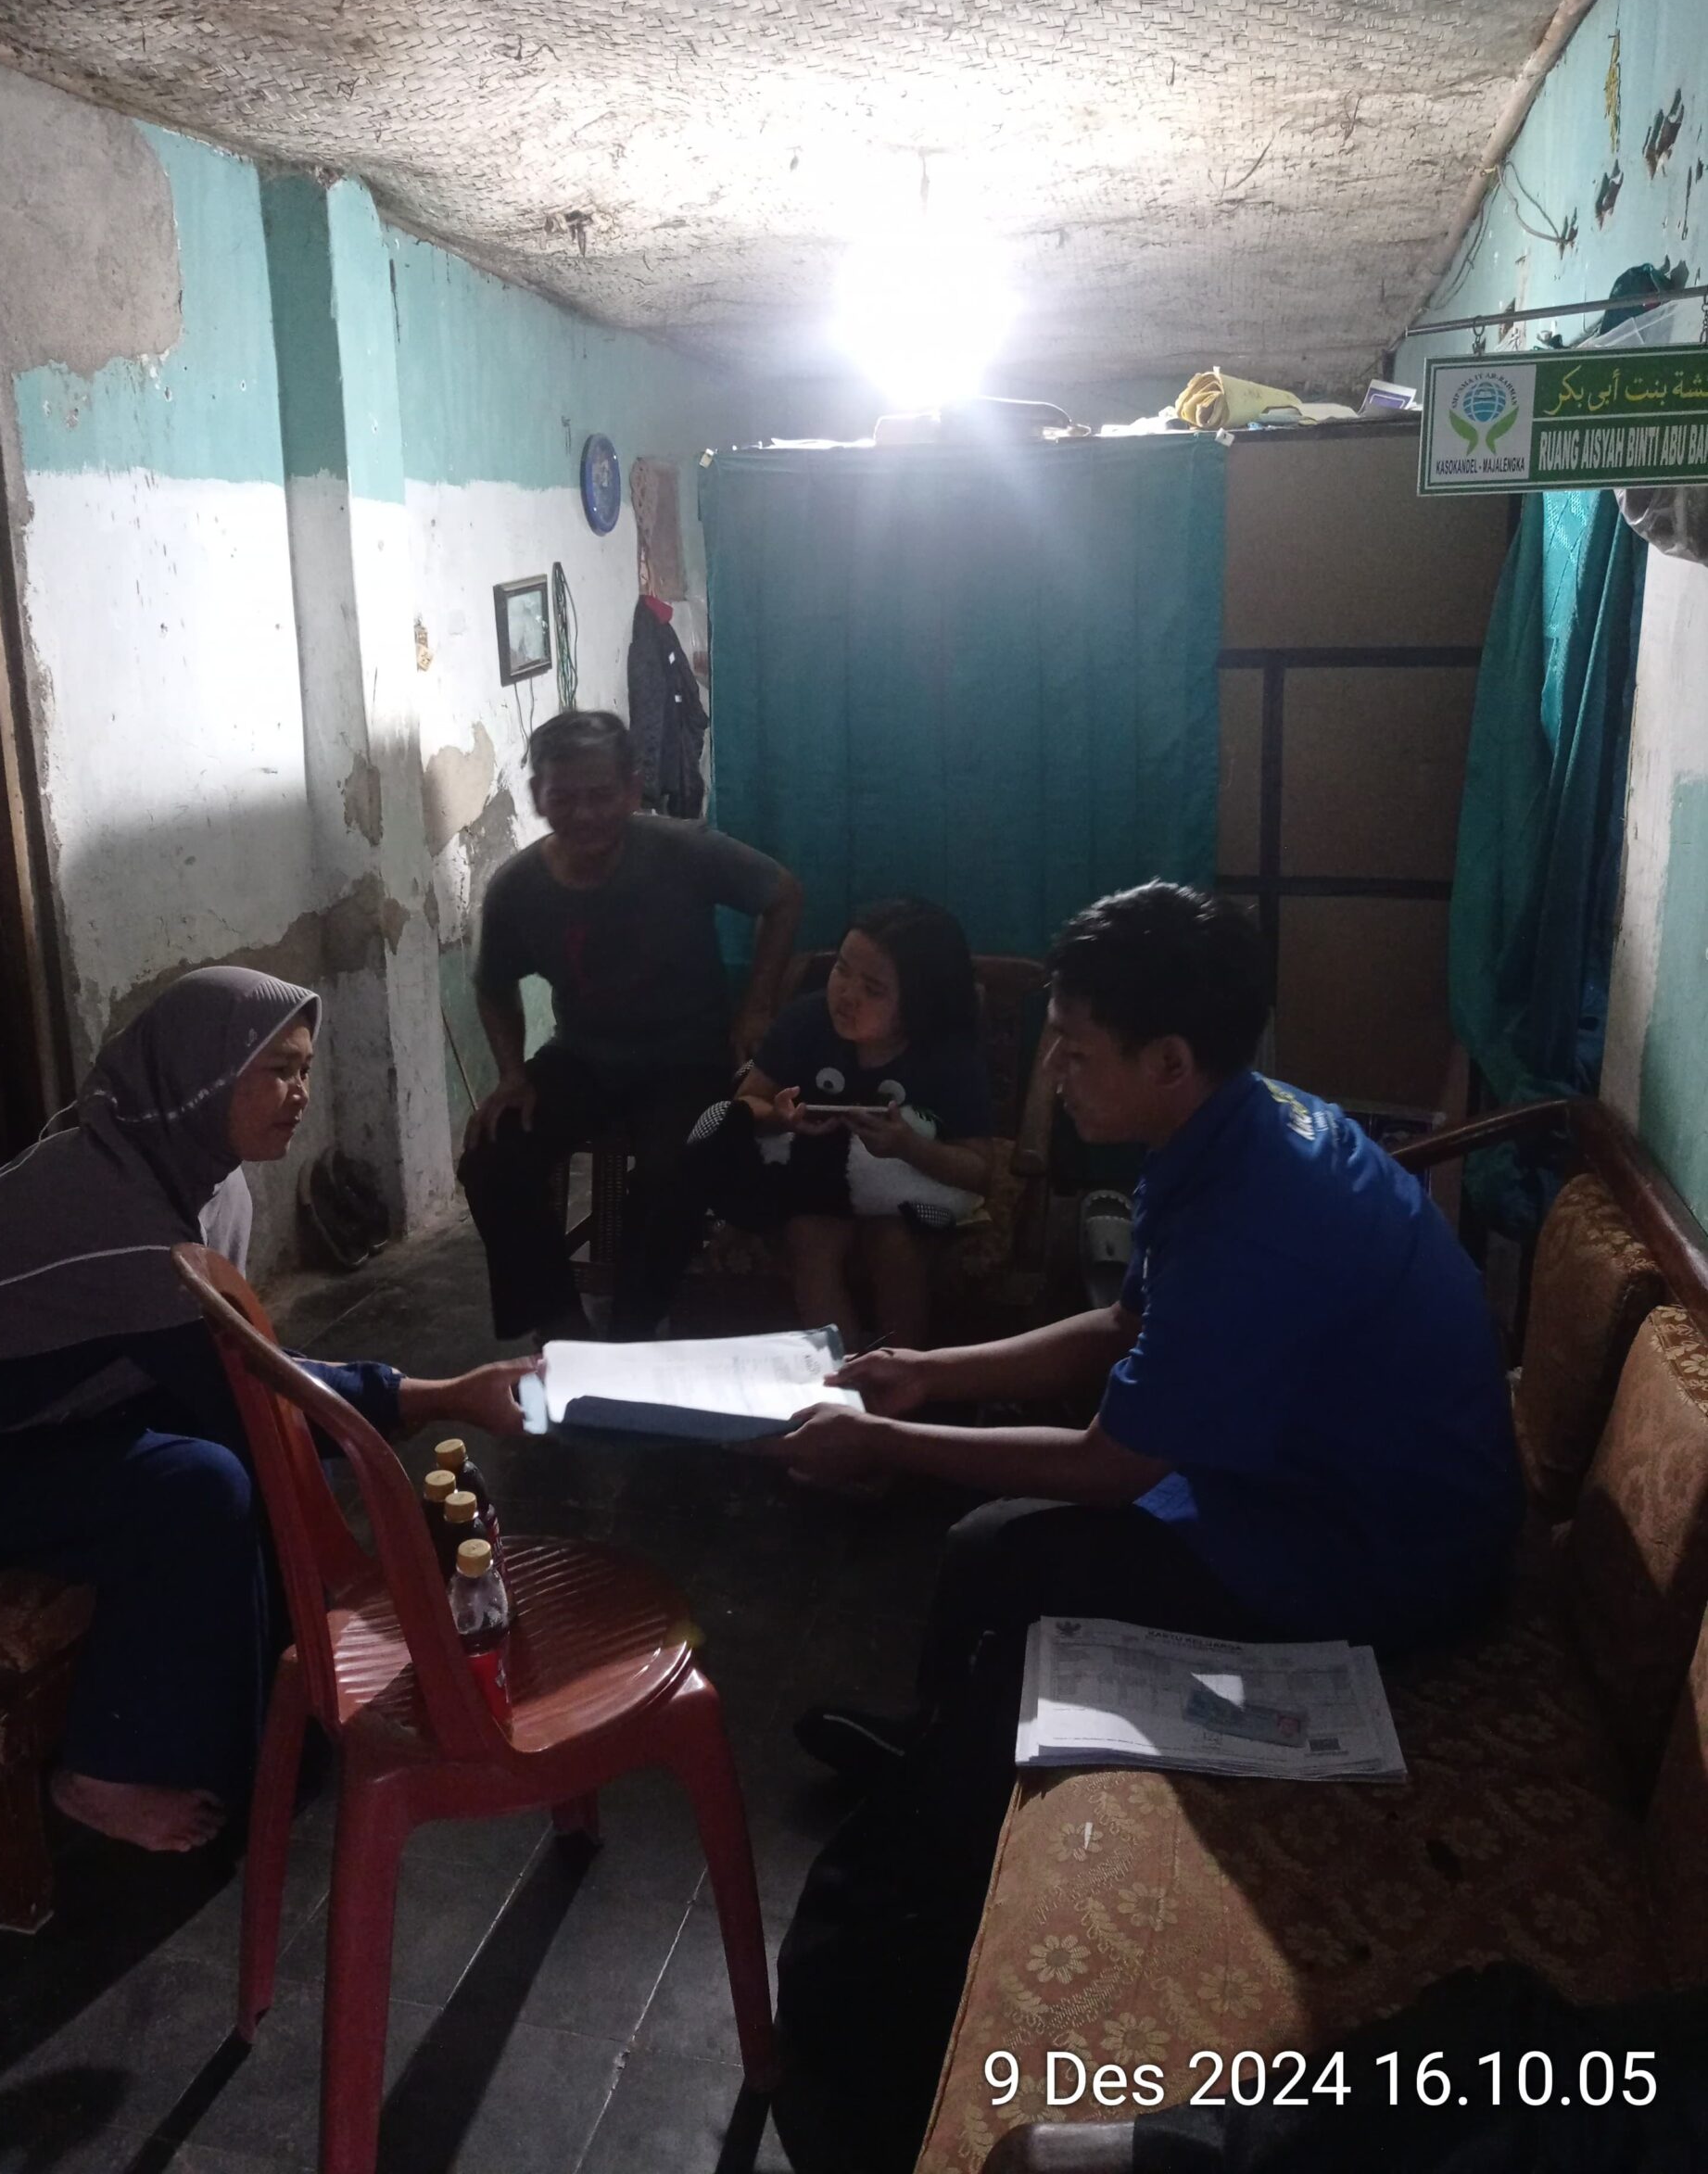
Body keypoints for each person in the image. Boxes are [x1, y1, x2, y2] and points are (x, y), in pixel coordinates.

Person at [772, 880, 1525, 1782]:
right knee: (1001, 1540)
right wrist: (930, 1372)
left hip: (1378, 1551)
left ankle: (943, 1787)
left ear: (1168, 1060)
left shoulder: (1250, 1220)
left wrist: (882, 1441)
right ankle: (948, 1746)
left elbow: (1110, 1464)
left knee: (999, 1550)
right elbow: (1125, 1322)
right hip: (1313, 1473)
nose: (1054, 1070)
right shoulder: (1237, 1117)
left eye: (1075, 1050)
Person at [0, 967, 528, 1855]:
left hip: (32, 1420)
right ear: (199, 1075)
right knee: (201, 1481)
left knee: (229, 1456)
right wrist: (441, 1397)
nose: (300, 1093)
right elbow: (253, 1389)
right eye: (276, 1070)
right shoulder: (116, 1212)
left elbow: (239, 1367)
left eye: (305, 1068)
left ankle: (269, 1711)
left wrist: (425, 1396)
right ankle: (102, 1773)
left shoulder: (201, 1178)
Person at [459, 707, 803, 1341]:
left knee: (677, 1164)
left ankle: (634, 1334)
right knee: (491, 1153)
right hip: (584, 1057)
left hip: (687, 1058)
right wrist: (511, 1074)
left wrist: (757, 1006)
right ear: (537, 795)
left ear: (632, 789)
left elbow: (783, 895)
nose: (584, 813)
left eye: (600, 795)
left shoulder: (683, 850)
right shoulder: (517, 887)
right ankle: (559, 1327)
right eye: (564, 797)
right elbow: (492, 981)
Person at [684, 898, 994, 1348]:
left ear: (920, 1002)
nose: (846, 995)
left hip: (905, 1196)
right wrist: (780, 1118)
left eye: (873, 989)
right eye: (842, 970)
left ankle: (902, 1372)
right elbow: (747, 1102)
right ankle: (841, 1375)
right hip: (817, 1185)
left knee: (895, 1247)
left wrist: (909, 1146)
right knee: (808, 1238)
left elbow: (980, 1170)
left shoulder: (946, 1054)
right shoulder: (806, 1022)